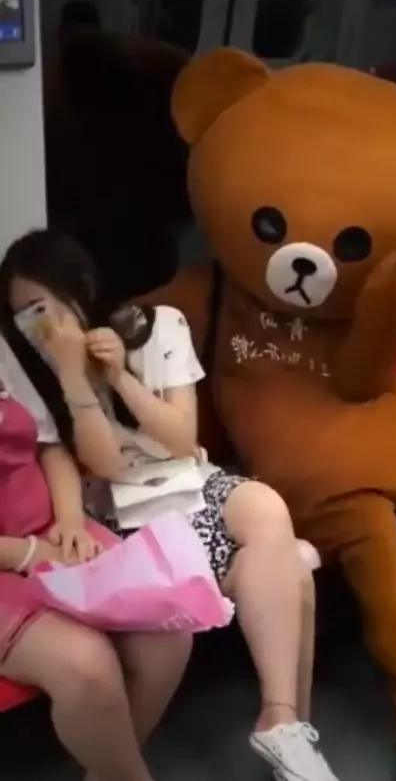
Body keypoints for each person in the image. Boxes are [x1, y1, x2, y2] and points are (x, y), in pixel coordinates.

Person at [0, 229, 336, 781]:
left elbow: (181, 439)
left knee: (266, 509)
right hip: (129, 513)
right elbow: (105, 465)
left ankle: (282, 724)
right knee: (290, 577)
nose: (39, 327)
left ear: (78, 287)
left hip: (192, 482)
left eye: (42, 308)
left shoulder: (158, 328)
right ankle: (285, 735)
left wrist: (119, 378)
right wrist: (74, 377)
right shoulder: (39, 375)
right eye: (23, 317)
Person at [0, 364, 192, 781]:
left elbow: (48, 446)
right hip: (11, 558)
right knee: (87, 668)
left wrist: (70, 521)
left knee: (168, 630)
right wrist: (25, 553)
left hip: (48, 529)